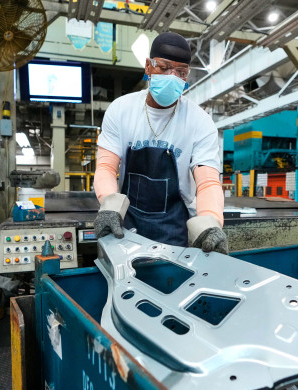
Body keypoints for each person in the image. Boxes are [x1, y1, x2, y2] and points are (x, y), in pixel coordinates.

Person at [93, 32, 228, 254]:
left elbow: (208, 183)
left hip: (175, 230)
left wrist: (211, 222)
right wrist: (109, 206)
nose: (172, 76)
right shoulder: (121, 110)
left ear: (186, 77)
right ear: (148, 67)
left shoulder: (200, 121)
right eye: (164, 68)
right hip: (125, 224)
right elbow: (107, 167)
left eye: (180, 72)